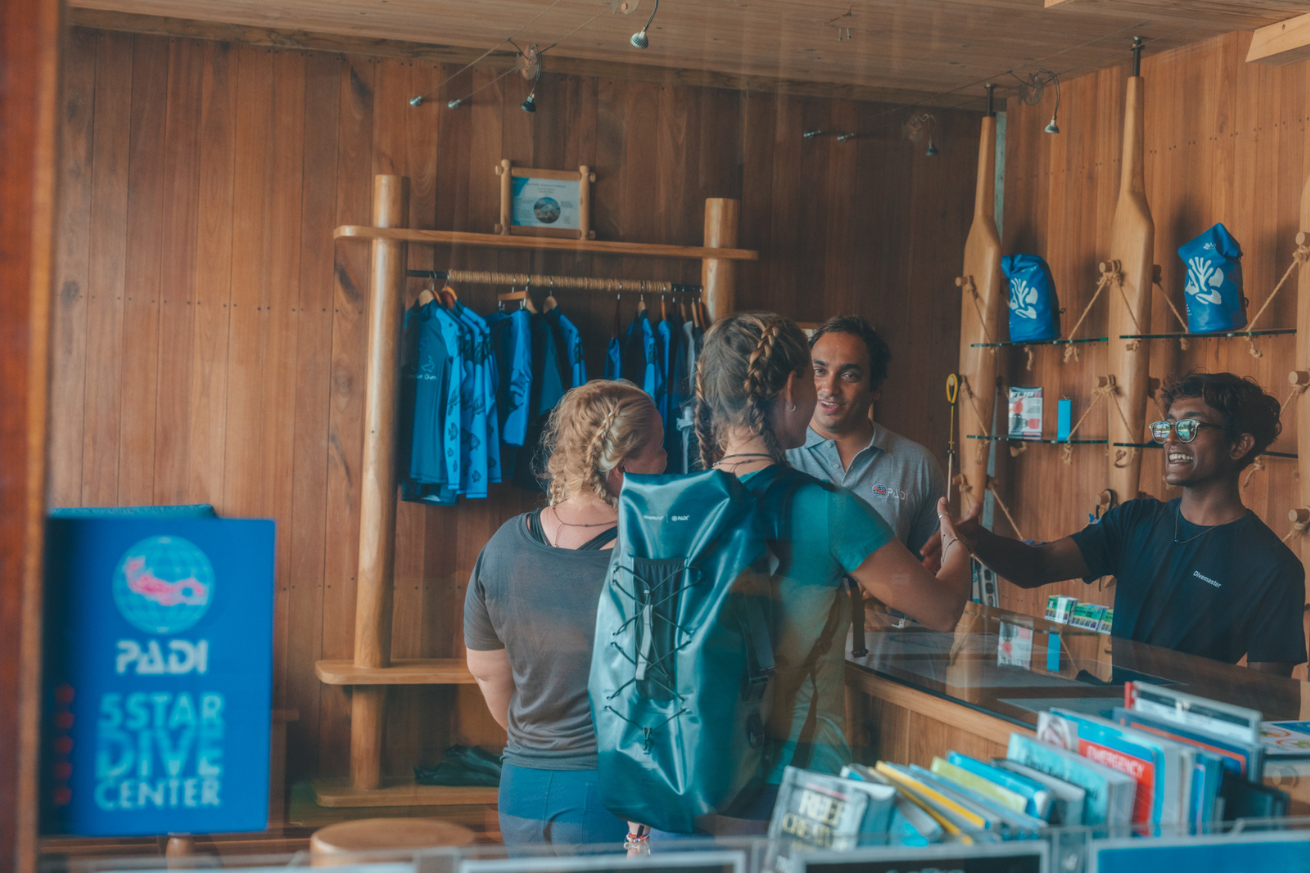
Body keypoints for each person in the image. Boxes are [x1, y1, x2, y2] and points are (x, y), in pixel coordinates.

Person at [646, 312, 971, 838]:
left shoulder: (671, 504)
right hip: (791, 792)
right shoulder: (829, 510)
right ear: (794, 385)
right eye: (813, 374)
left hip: (680, 779)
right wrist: (958, 544)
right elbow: (943, 609)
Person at [941, 372, 1307, 677]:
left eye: (1191, 426)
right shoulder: (1135, 520)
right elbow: (1038, 566)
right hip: (1112, 722)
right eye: (1167, 426)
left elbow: (1268, 699)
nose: (1172, 439)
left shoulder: (1272, 567)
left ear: (1239, 445)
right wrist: (978, 540)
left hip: (1190, 742)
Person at [464, 381, 668, 848]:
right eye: (658, 450)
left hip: (520, 786)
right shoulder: (650, 556)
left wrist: (542, 735)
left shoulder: (501, 546)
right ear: (621, 468)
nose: (664, 462)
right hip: (609, 790)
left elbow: (488, 675)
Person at [786, 315, 947, 567]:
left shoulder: (917, 465)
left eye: (849, 375)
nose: (829, 388)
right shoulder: (779, 454)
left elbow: (930, 571)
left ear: (876, 387)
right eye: (819, 371)